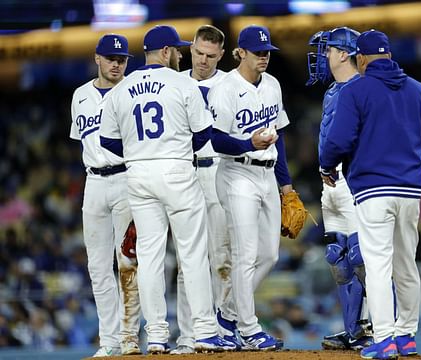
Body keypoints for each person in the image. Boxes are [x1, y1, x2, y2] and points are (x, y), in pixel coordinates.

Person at [98, 25, 237, 355]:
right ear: (164, 52)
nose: (180, 54)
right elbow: (204, 133)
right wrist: (176, 149)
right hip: (176, 169)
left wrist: (138, 152)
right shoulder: (182, 82)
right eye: (176, 49)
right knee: (191, 253)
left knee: (150, 258)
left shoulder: (121, 88)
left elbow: (106, 140)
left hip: (139, 174)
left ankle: (157, 335)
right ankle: (204, 331)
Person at [319, 30, 421, 358]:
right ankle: (406, 336)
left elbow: (338, 140)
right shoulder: (418, 89)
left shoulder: (357, 89)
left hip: (373, 190)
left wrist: (327, 166)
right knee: (406, 265)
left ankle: (384, 340)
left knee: (378, 267)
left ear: (361, 59)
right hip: (410, 191)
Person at [208, 24, 294, 351]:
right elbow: (216, 139)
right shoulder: (225, 88)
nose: (264, 57)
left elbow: (280, 136)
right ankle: (249, 329)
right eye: (258, 52)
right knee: (244, 255)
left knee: (269, 255)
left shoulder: (272, 84)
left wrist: (285, 185)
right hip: (236, 173)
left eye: (267, 52)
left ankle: (227, 314)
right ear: (240, 52)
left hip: (267, 174)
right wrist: (248, 142)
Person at [69, 33, 142, 357]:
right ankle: (108, 342)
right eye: (111, 58)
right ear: (97, 58)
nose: (116, 63)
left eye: (122, 59)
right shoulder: (80, 95)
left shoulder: (133, 91)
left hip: (127, 179)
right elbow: (83, 142)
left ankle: (129, 339)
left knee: (128, 263)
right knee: (98, 268)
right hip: (94, 183)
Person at [306, 27, 373, 350]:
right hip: (328, 183)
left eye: (328, 50)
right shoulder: (332, 91)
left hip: (353, 180)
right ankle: (353, 331)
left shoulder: (365, 89)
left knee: (362, 259)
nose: (323, 57)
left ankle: (375, 327)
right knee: (338, 259)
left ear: (344, 53)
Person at [173, 24, 238, 355]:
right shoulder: (175, 82)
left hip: (218, 172)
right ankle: (188, 336)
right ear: (190, 49)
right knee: (188, 260)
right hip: (184, 176)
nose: (203, 60)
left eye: (210, 55)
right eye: (198, 53)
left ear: (221, 55)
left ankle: (222, 329)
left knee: (222, 259)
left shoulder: (230, 84)